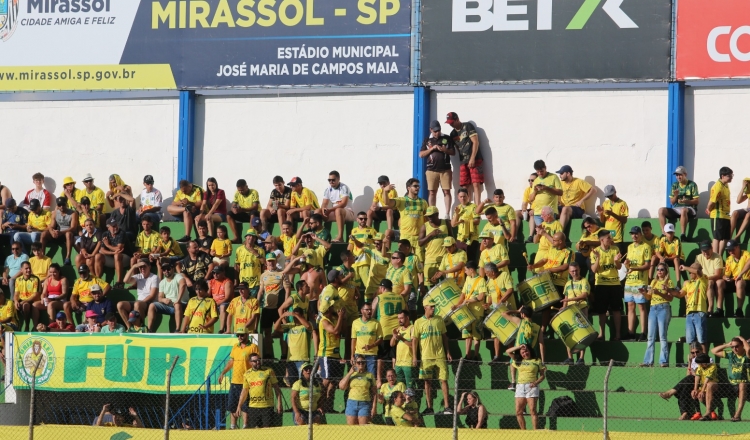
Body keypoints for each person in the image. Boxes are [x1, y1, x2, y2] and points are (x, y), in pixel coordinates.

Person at [413, 297, 453, 414]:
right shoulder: (418, 322)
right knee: (427, 382)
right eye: (431, 307)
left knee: (443, 380)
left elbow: (445, 337)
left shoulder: (439, 320)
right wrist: (415, 357)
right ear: (425, 307)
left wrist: (448, 352)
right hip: (426, 357)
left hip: (440, 356)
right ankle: (429, 407)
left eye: (434, 306)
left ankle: (447, 406)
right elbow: (415, 340)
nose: (433, 308)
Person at [218, 329, 260, 429]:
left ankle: (245, 425)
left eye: (242, 335)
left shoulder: (253, 347)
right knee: (232, 404)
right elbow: (231, 362)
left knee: (245, 406)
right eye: (238, 335)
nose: (239, 337)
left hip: (247, 381)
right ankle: (233, 426)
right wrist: (223, 373)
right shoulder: (235, 347)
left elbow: (257, 362)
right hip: (235, 380)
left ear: (247, 334)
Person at [658, 342, 706, 420]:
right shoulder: (693, 360)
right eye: (693, 353)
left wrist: (694, 373)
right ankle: (685, 413)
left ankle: (671, 393)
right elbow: (688, 375)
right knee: (682, 390)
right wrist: (690, 363)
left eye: (697, 352)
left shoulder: (707, 358)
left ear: (701, 350)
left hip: (702, 381)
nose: (695, 354)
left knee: (681, 389)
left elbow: (703, 374)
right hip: (691, 381)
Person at [591, 229, 624, 341]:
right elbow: (594, 270)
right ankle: (602, 334)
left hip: (614, 283)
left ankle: (618, 335)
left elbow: (619, 267)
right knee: (602, 311)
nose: (611, 239)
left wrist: (616, 261)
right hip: (601, 284)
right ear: (602, 240)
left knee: (616, 309)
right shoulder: (595, 251)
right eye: (608, 238)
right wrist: (598, 258)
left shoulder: (615, 249)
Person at [382, 178, 428, 256]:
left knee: (419, 262)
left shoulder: (423, 202)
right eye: (415, 186)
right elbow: (387, 202)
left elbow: (426, 219)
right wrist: (385, 191)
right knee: (405, 261)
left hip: (418, 237)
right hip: (405, 237)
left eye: (418, 186)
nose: (417, 188)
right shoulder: (401, 200)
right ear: (408, 188)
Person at [640, 263, 674, 367]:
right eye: (658, 269)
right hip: (653, 308)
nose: (659, 271)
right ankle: (648, 361)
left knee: (662, 336)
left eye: (662, 269)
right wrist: (643, 293)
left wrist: (659, 293)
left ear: (666, 271)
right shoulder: (653, 281)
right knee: (650, 336)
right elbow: (649, 297)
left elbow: (670, 298)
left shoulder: (669, 282)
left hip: (663, 307)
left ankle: (663, 361)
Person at [236, 352, 282, 428]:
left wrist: (279, 403)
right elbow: (244, 391)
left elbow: (277, 388)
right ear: (250, 362)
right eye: (255, 361)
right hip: (253, 407)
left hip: (267, 406)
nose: (258, 362)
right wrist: (239, 406)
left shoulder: (268, 371)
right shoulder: (247, 374)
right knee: (253, 431)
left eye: (259, 360)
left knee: (267, 431)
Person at [317, 293, 346, 414]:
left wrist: (340, 316)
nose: (333, 308)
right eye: (331, 307)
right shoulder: (324, 321)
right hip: (326, 354)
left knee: (334, 382)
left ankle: (329, 405)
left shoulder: (332, 318)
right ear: (327, 310)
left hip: (335, 354)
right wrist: (340, 317)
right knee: (326, 380)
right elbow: (335, 331)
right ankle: (319, 405)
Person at [447, 112, 484, 205]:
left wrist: (472, 158)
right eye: (449, 123)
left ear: (457, 119)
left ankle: (477, 207)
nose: (451, 124)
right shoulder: (453, 134)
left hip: (475, 159)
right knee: (465, 185)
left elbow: (475, 142)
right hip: (463, 161)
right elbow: (457, 148)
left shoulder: (468, 126)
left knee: (476, 183)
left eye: (452, 122)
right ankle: (468, 207)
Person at [507, 343, 546, 430]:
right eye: (522, 352)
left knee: (532, 410)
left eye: (526, 351)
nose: (525, 354)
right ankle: (523, 431)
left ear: (530, 350)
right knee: (518, 411)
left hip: (532, 386)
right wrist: (520, 347)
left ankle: (534, 431)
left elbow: (542, 376)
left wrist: (536, 383)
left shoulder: (537, 360)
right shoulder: (518, 360)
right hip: (520, 386)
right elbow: (508, 351)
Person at [623, 226, 652, 341]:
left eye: (636, 234)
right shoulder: (629, 247)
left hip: (640, 281)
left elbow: (648, 265)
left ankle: (643, 332)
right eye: (632, 234)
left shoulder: (646, 247)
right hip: (629, 281)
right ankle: (631, 333)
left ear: (640, 235)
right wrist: (626, 263)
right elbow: (628, 265)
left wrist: (634, 268)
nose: (634, 236)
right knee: (630, 306)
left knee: (641, 306)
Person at [420, 120, 455, 214]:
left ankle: (447, 213)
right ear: (430, 130)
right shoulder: (427, 140)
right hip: (431, 170)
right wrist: (432, 149)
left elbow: (453, 152)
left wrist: (445, 150)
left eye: (438, 130)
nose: (437, 133)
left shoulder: (446, 138)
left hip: (445, 170)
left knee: (447, 191)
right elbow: (421, 154)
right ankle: (432, 212)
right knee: (432, 192)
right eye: (435, 131)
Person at [711, 337, 750, 422]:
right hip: (732, 384)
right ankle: (708, 413)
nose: (734, 349)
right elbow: (713, 351)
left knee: (742, 384)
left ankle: (737, 415)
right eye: (732, 347)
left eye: (737, 346)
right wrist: (727, 345)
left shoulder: (747, 356)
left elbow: (748, 349)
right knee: (710, 385)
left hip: (746, 386)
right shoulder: (730, 354)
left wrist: (743, 340)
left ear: (742, 346)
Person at [453, 260, 486, 359]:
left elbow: (481, 296)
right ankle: (467, 355)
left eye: (466, 270)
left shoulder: (481, 280)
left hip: (477, 311)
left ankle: (476, 355)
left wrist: (468, 301)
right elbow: (463, 294)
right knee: (467, 334)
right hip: (466, 311)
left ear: (471, 270)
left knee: (476, 334)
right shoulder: (467, 278)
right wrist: (457, 305)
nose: (465, 272)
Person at [659, 166, 699, 242]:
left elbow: (697, 201)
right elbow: (672, 202)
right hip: (677, 209)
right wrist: (676, 195)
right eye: (677, 175)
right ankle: (664, 233)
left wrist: (686, 201)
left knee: (683, 210)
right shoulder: (675, 185)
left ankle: (683, 235)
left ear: (685, 174)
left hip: (690, 208)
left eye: (680, 175)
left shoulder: (692, 185)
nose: (678, 177)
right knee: (661, 210)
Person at [273, 306, 311, 386]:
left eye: (297, 316)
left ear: (302, 316)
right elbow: (276, 328)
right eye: (293, 316)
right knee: (293, 385)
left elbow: (308, 326)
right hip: (290, 360)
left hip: (302, 359)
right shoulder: (290, 326)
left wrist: (296, 315)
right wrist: (282, 317)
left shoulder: (305, 327)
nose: (295, 318)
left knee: (303, 383)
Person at [560, 262, 590, 364]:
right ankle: (570, 358)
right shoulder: (568, 284)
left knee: (582, 334)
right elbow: (566, 298)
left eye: (576, 270)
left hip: (581, 309)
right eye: (572, 271)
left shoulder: (584, 281)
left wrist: (570, 300)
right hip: (569, 311)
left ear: (579, 269)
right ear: (569, 272)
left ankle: (581, 358)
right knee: (569, 334)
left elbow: (584, 295)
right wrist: (563, 308)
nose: (575, 273)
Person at [148, 261, 187, 333]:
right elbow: (159, 297)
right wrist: (163, 300)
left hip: (182, 304)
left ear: (172, 269)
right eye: (164, 270)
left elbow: (183, 284)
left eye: (168, 269)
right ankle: (149, 330)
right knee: (152, 305)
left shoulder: (178, 276)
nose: (166, 271)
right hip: (169, 305)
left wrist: (178, 300)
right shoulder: (162, 282)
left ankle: (177, 329)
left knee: (177, 305)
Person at [118, 259, 158, 329]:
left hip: (149, 302)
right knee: (120, 305)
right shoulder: (139, 276)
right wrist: (133, 267)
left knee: (137, 304)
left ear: (149, 267)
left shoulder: (154, 277)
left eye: (144, 266)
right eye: (140, 267)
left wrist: (140, 302)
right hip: (139, 302)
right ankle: (130, 328)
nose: (142, 269)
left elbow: (152, 295)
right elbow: (125, 281)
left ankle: (141, 328)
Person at [340, 353, 378, 425]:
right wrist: (350, 373)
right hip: (352, 403)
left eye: (363, 362)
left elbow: (375, 392)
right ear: (355, 363)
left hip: (364, 404)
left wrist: (374, 407)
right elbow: (341, 387)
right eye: (358, 362)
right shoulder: (351, 375)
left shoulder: (370, 375)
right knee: (351, 428)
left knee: (362, 429)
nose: (361, 364)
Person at [419, 206, 451, 290]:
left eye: (431, 215)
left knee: (446, 285)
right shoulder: (425, 226)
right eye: (428, 216)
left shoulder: (446, 223)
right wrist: (430, 235)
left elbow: (452, 238)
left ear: (437, 214)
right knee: (430, 287)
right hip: (430, 260)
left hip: (445, 260)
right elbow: (420, 243)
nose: (429, 218)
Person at [318, 171, 355, 243]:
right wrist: (323, 209)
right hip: (336, 213)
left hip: (347, 212)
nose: (331, 182)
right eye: (329, 180)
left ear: (338, 179)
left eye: (333, 180)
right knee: (317, 211)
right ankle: (319, 235)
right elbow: (324, 203)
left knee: (338, 210)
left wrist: (330, 209)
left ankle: (340, 237)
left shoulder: (344, 187)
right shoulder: (328, 189)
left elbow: (344, 204)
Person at [258, 253, 284, 357]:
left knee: (281, 332)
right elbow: (260, 291)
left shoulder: (281, 274)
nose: (271, 263)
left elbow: (287, 290)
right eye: (269, 261)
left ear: (276, 262)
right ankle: (269, 355)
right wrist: (257, 301)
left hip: (278, 308)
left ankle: (284, 355)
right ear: (266, 262)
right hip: (267, 308)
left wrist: (285, 305)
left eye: (273, 260)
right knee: (267, 333)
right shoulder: (263, 275)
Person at [556, 165, 595, 231]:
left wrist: (581, 201)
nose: (560, 175)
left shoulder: (578, 182)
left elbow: (593, 190)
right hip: (564, 207)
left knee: (565, 209)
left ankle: (560, 233)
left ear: (568, 173)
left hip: (577, 208)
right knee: (550, 209)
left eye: (562, 173)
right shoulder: (561, 183)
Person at [351, 302, 383, 376]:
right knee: (358, 375)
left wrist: (371, 346)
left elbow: (381, 338)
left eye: (370, 309)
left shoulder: (376, 323)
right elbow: (353, 340)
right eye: (367, 309)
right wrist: (352, 355)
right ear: (362, 311)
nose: (369, 311)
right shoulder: (355, 323)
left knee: (370, 376)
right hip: (358, 354)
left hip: (371, 354)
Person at [528, 160, 562, 229]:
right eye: (538, 172)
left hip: (550, 212)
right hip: (538, 213)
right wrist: (535, 191)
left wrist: (547, 188)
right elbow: (530, 199)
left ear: (545, 168)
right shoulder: (536, 180)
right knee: (541, 233)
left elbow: (560, 192)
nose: (540, 173)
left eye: (542, 171)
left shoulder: (553, 177)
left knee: (549, 232)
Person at [696, 240, 726, 318]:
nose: (705, 253)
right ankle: (692, 309)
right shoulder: (698, 257)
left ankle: (710, 309)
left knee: (710, 282)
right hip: (703, 279)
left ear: (711, 248)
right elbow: (695, 270)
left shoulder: (717, 257)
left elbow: (717, 275)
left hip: (712, 278)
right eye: (703, 251)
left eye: (707, 250)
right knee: (688, 283)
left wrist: (706, 278)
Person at [97, 217, 131, 288]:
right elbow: (102, 250)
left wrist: (107, 245)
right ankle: (97, 281)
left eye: (116, 225)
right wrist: (112, 252)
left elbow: (119, 248)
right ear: (108, 227)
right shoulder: (105, 234)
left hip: (125, 258)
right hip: (112, 257)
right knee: (98, 256)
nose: (115, 227)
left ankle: (119, 282)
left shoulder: (121, 233)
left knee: (117, 255)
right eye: (113, 226)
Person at [708, 166, 734, 255]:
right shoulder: (717, 186)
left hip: (726, 215)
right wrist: (708, 209)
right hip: (718, 215)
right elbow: (712, 201)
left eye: (731, 175)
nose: (731, 177)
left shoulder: (726, 185)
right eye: (729, 176)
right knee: (717, 237)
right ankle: (715, 257)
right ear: (722, 176)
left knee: (725, 237)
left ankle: (720, 255)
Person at [597, 185, 629, 251]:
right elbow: (602, 221)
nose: (609, 197)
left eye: (611, 195)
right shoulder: (605, 203)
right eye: (608, 196)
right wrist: (601, 214)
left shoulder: (622, 204)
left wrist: (612, 214)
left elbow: (624, 220)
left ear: (615, 192)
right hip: (607, 238)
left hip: (617, 238)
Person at [452, 188, 480, 258]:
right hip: (460, 239)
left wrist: (464, 221)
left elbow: (477, 221)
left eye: (464, 196)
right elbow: (453, 224)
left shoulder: (473, 206)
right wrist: (457, 214)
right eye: (461, 197)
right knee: (460, 261)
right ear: (458, 197)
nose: (463, 198)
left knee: (470, 262)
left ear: (468, 196)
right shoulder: (458, 208)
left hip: (472, 239)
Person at [724, 239, 749, 317]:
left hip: (747, 280)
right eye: (729, 250)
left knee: (739, 282)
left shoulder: (745, 254)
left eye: (733, 249)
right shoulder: (729, 259)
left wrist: (740, 274)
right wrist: (726, 278)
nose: (731, 252)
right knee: (720, 283)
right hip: (735, 281)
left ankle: (739, 310)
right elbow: (726, 274)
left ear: (738, 247)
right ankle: (719, 310)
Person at [391, 310, 415, 389]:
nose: (399, 320)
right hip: (398, 364)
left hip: (408, 363)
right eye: (398, 318)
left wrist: (402, 338)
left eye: (401, 318)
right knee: (400, 386)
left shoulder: (412, 328)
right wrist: (394, 336)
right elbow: (391, 344)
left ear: (407, 318)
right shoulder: (399, 329)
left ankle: (411, 401)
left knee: (409, 387)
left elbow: (412, 345)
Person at [14, 261, 40, 331]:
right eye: (26, 268)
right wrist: (16, 301)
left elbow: (35, 295)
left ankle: (27, 326)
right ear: (21, 270)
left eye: (29, 268)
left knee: (25, 305)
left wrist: (24, 301)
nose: (28, 270)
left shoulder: (35, 279)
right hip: (21, 299)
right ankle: (13, 327)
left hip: (31, 300)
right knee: (10, 305)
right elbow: (16, 293)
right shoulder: (18, 279)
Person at [692, 353, 719, 421]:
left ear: (705, 363)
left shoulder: (713, 366)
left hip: (713, 385)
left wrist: (702, 391)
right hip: (703, 386)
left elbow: (707, 379)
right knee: (696, 395)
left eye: (700, 363)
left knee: (709, 385)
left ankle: (708, 412)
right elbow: (697, 376)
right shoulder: (700, 367)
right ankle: (711, 411)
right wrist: (695, 389)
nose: (699, 365)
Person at [208, 265, 234, 333]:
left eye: (217, 273)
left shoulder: (227, 282)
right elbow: (208, 294)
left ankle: (221, 329)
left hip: (227, 303)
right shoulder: (211, 282)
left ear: (223, 273)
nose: (215, 275)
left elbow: (227, 298)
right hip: (215, 303)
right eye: (213, 273)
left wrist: (216, 304)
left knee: (222, 306)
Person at [575, 216, 601, 280]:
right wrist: (579, 246)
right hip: (585, 253)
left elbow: (604, 243)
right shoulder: (585, 233)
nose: (588, 229)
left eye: (589, 226)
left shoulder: (602, 231)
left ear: (594, 223)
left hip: (596, 254)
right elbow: (578, 243)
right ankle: (577, 280)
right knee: (575, 257)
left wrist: (590, 243)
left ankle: (591, 284)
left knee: (589, 260)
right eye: (586, 227)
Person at [519, 173, 539, 243]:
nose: (530, 182)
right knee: (516, 213)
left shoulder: (541, 190)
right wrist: (524, 209)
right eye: (529, 180)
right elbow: (524, 202)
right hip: (531, 210)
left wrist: (535, 210)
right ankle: (514, 236)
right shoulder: (527, 190)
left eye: (532, 180)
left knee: (532, 214)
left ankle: (530, 236)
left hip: (538, 210)